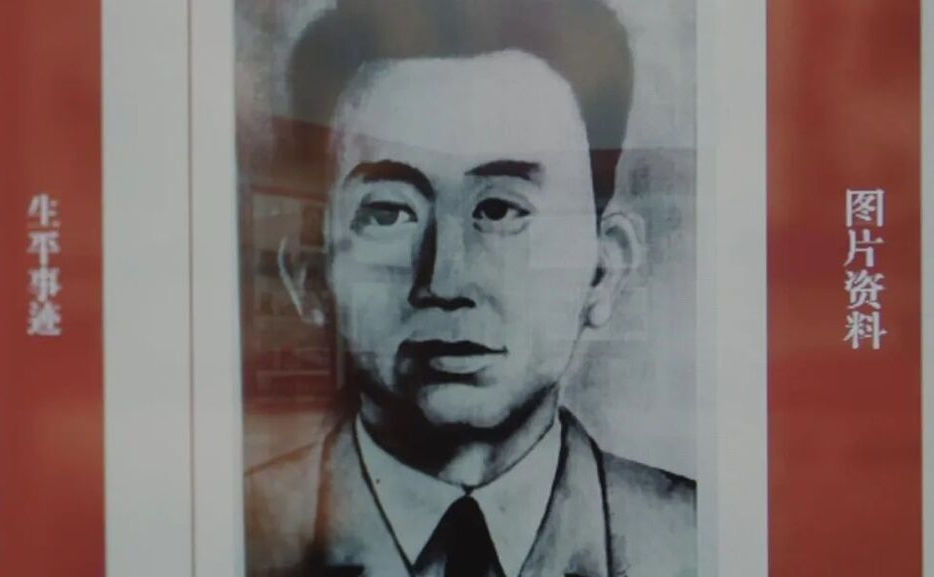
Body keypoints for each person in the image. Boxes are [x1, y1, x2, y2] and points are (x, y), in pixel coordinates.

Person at [245, 1, 695, 575]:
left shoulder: (699, 541)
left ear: (604, 268)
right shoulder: (230, 533)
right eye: (389, 213)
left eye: (501, 210)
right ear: (309, 271)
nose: (446, 280)